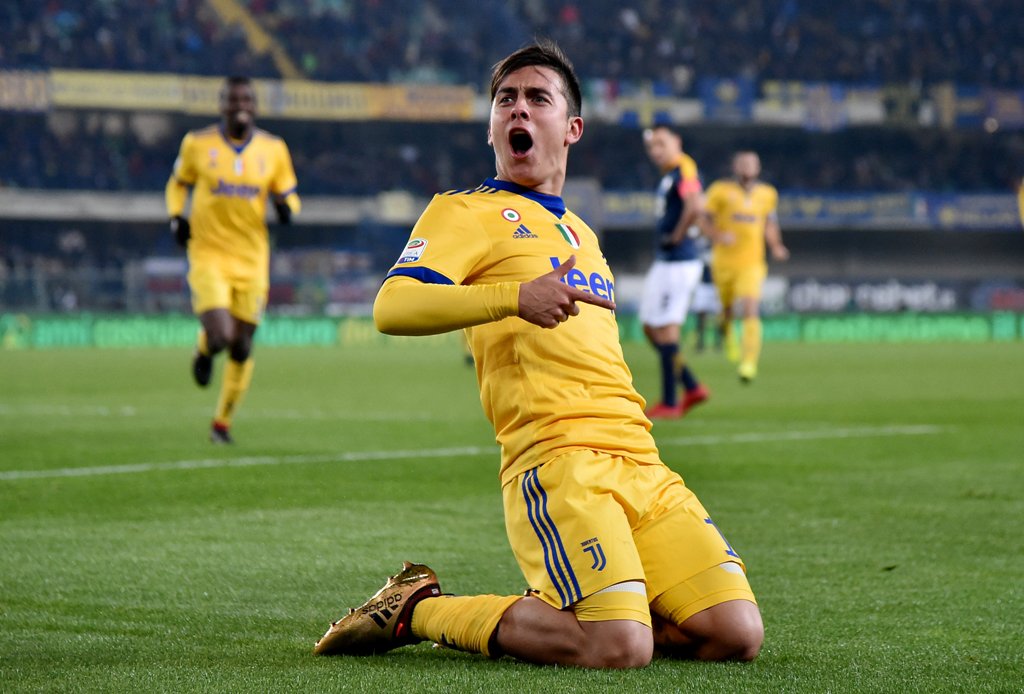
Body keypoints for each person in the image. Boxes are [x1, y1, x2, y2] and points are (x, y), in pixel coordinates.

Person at [314, 41, 762, 669]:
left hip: (641, 460)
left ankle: (601, 616)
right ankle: (418, 608)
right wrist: (513, 297)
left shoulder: (583, 234)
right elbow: (392, 306)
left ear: (571, 127)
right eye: (506, 100)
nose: (517, 109)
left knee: (735, 634)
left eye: (536, 98)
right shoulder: (463, 212)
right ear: (493, 125)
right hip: (556, 460)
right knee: (619, 648)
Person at [164, 76, 300, 443]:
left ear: (254, 106)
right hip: (208, 254)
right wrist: (177, 216)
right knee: (223, 334)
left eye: (247, 99)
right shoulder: (197, 144)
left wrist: (287, 209)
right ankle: (205, 348)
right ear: (222, 105)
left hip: (253, 259)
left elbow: (288, 192)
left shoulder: (273, 149)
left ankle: (221, 424)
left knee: (242, 344)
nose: (241, 105)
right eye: (234, 99)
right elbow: (177, 182)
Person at [637, 124, 710, 419]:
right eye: (652, 146)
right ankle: (690, 385)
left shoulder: (685, 168)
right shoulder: (671, 173)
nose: (656, 151)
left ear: (676, 141)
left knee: (666, 328)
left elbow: (695, 205)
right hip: (666, 261)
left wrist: (678, 235)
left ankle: (670, 401)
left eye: (662, 144)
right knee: (650, 326)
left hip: (679, 261)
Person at [700, 150, 788, 383]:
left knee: (750, 308)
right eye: (743, 163)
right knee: (727, 308)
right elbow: (703, 219)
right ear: (735, 167)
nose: (747, 167)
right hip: (724, 262)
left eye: (752, 163)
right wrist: (717, 235)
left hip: (752, 263)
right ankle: (727, 332)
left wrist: (777, 246)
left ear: (758, 168)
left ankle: (748, 363)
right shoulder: (720, 191)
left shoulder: (768, 194)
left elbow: (769, 224)